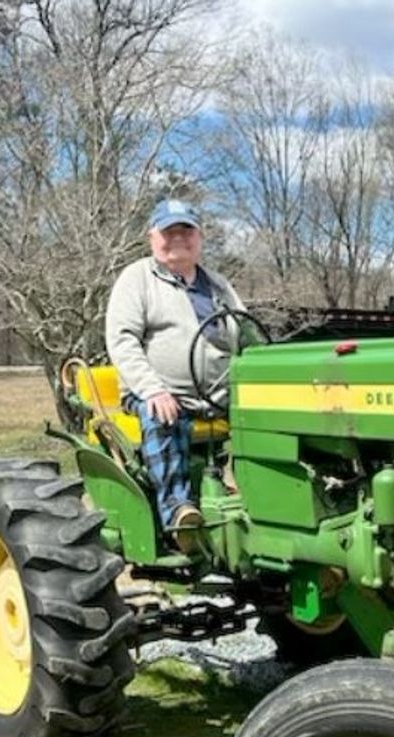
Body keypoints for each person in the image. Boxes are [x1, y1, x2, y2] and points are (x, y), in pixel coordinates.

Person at [105, 198, 246, 546]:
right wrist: (152, 389)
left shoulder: (218, 285)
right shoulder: (137, 279)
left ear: (199, 238)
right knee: (163, 415)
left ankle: (259, 501)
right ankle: (179, 513)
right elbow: (122, 340)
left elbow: (245, 331)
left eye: (186, 230)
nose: (178, 239)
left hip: (219, 392)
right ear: (153, 238)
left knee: (270, 416)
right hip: (162, 393)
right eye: (169, 231)